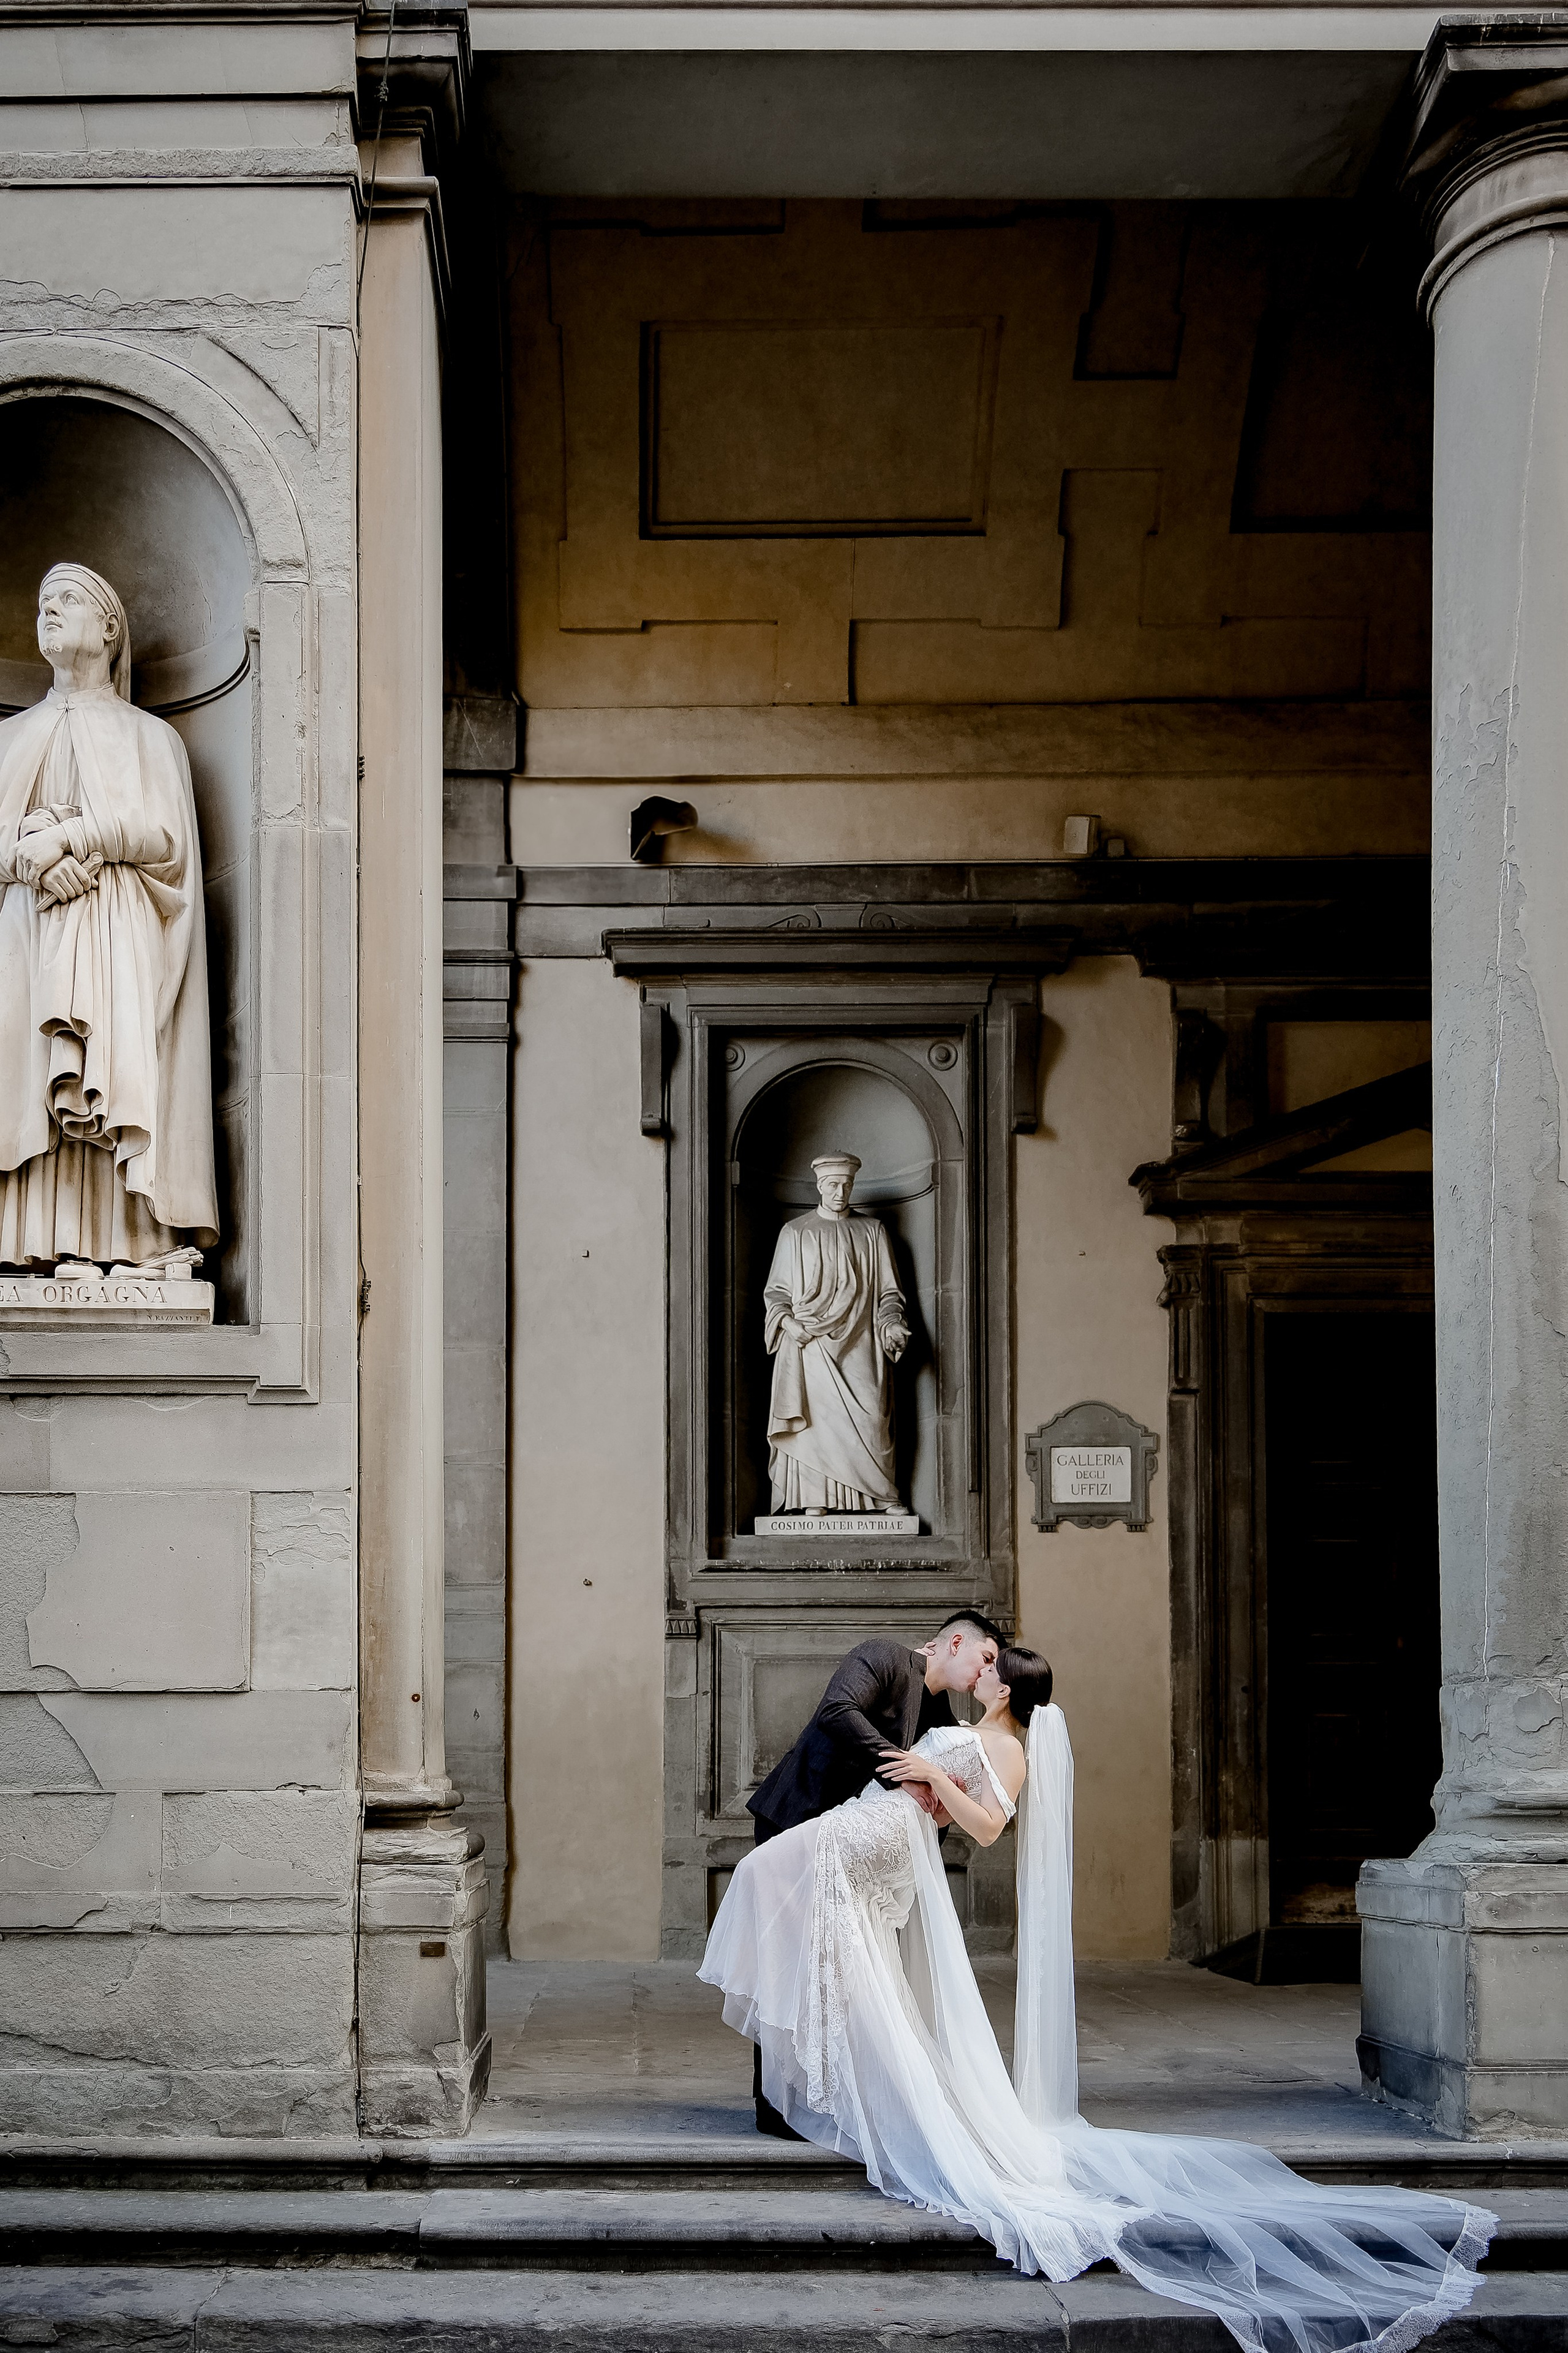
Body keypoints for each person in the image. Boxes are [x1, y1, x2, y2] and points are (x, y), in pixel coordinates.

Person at [701, 1645, 1495, 2353]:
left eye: (989, 1666)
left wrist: (937, 1774)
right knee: (811, 1928)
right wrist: (927, 1771)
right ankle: (827, 2075)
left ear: (1006, 1691)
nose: (978, 1669)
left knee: (768, 1884)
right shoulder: (975, 1722)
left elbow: (983, 1830)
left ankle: (844, 2080)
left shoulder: (1007, 1749)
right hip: (875, 1823)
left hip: (880, 1832)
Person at [0, 563, 217, 1271]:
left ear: (109, 626)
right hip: (30, 929)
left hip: (118, 926)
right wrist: (35, 860)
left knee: (114, 1070)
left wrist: (75, 837)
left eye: (67, 600)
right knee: (35, 1071)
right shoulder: (11, 738)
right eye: (43, 604)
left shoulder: (150, 737)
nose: (49, 612)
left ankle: (131, 1244)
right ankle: (34, 1244)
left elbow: (168, 840)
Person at [745, 1609, 1003, 2136]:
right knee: (787, 1964)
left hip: (847, 1855)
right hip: (794, 1819)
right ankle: (773, 2103)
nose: (985, 1671)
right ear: (956, 1642)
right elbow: (836, 1710)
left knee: (831, 1971)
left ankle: (818, 2094)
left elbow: (936, 1804)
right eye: (987, 1657)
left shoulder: (943, 1720)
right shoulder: (886, 1656)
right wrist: (900, 1769)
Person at [763, 1151, 911, 1514]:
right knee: (816, 1423)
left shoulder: (872, 1231)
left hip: (862, 1343)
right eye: (833, 1184)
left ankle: (880, 1495)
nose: (840, 1191)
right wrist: (787, 1322)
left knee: (874, 1418)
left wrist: (892, 1322)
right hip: (809, 1344)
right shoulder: (796, 1232)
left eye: (847, 1184)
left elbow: (889, 1293)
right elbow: (777, 1293)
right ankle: (815, 1498)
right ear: (819, 1185)